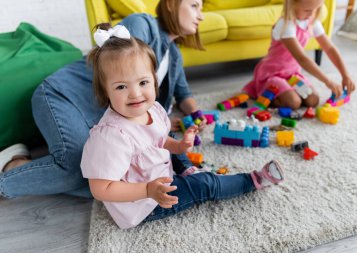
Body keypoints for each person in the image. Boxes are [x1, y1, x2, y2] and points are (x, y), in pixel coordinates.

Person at [81, 25, 286, 229]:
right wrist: (148, 190)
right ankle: (255, 180)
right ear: (105, 91)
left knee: (166, 133)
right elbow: (101, 189)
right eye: (121, 87)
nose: (135, 94)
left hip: (157, 174)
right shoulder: (111, 136)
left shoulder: (151, 109)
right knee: (204, 184)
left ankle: (187, 169)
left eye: (143, 82)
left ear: (154, 80)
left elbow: (159, 140)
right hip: (145, 203)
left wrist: (179, 146)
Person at [0, 0, 207, 199]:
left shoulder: (174, 55)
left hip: (97, 114)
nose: (201, 16)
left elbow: (184, 94)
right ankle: (11, 171)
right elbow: (123, 73)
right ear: (171, 3)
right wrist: (143, 119)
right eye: (194, 5)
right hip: (63, 96)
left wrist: (196, 114)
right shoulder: (142, 24)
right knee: (80, 169)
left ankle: (24, 162)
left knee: (112, 181)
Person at [242, 0, 356, 110]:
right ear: (292, 4)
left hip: (292, 75)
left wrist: (345, 75)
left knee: (313, 100)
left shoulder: (311, 21)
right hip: (273, 74)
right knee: (294, 102)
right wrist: (327, 81)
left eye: (316, 9)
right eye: (307, 10)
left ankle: (287, 89)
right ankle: (264, 92)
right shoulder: (285, 25)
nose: (312, 14)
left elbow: (330, 48)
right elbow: (302, 59)